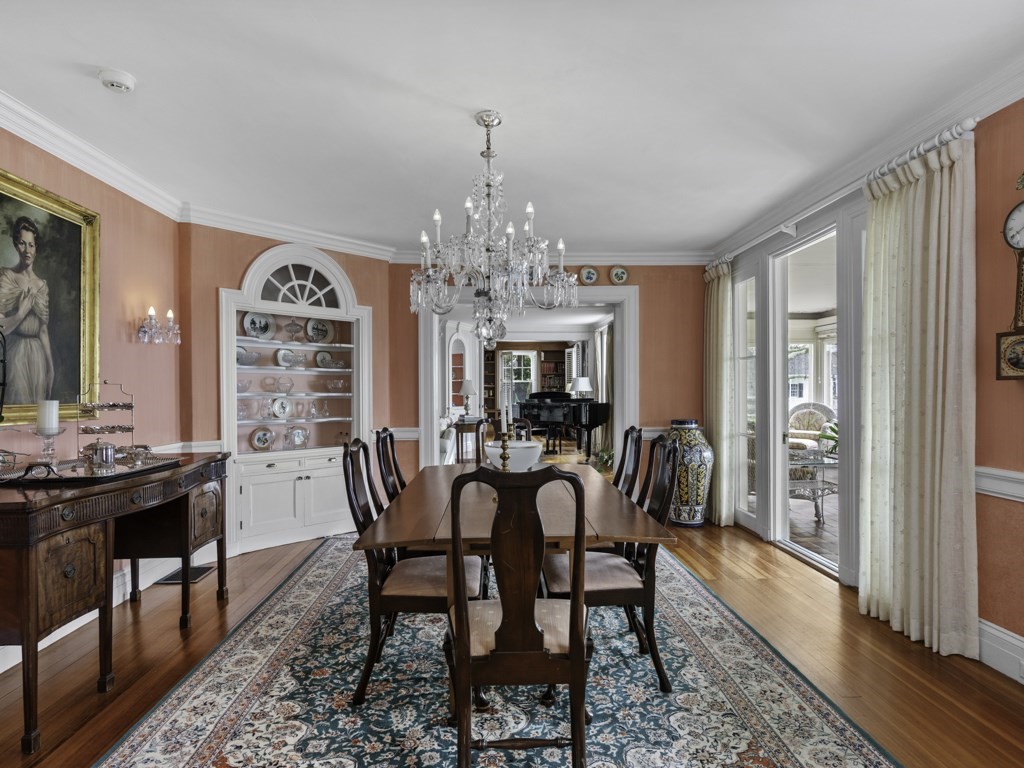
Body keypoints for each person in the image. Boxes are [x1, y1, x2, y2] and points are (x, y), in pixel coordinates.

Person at [0, 216, 54, 403]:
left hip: (38, 358)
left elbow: (43, 331)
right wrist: (20, 314)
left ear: (36, 248)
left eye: (31, 245)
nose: (27, 250)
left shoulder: (42, 286)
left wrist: (50, 368)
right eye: (22, 244)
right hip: (15, 356)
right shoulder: (7, 277)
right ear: (16, 245)